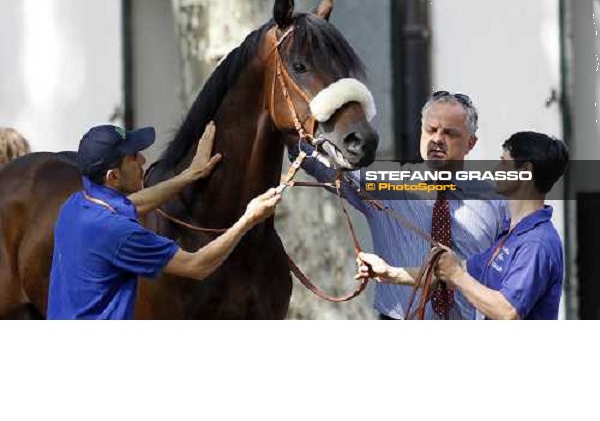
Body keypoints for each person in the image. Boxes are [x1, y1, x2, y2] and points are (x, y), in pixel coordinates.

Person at [293, 91, 508, 320]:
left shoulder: (495, 200)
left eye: (449, 133)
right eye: (431, 130)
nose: (437, 139)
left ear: (470, 143)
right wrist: (294, 121)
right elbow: (316, 162)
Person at [47, 121, 282, 320]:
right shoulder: (118, 232)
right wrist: (249, 219)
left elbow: (134, 204)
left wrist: (190, 174)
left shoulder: (77, 205)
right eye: (133, 157)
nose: (143, 160)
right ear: (113, 176)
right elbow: (197, 265)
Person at [358, 131, 567, 320]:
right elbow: (442, 275)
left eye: (503, 163)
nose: (495, 170)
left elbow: (507, 311)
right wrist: (387, 272)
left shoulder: (536, 243)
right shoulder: (509, 235)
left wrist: (457, 275)